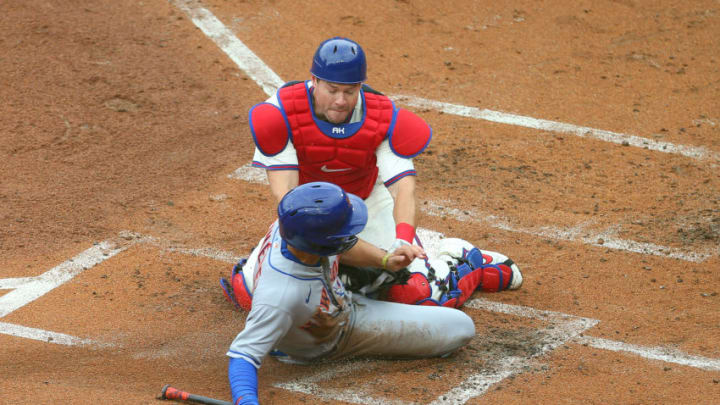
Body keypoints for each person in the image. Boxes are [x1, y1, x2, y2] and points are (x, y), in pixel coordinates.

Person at [224, 37, 522, 311]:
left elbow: (403, 189)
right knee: (252, 297)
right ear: (313, 81)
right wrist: (347, 250)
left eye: (350, 91)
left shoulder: (382, 118)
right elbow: (287, 195)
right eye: (332, 90)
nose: (341, 100)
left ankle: (462, 260)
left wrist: (402, 239)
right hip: (309, 212)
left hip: (366, 202)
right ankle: (264, 261)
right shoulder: (280, 115)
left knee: (417, 297)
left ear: (360, 86)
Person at [226, 182, 475, 405]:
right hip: (334, 338)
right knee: (460, 327)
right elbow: (243, 355)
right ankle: (464, 261)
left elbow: (343, 246)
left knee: (387, 277)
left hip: (329, 300)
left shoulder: (295, 229)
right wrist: (246, 400)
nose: (350, 234)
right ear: (321, 244)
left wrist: (385, 259)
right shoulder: (281, 296)